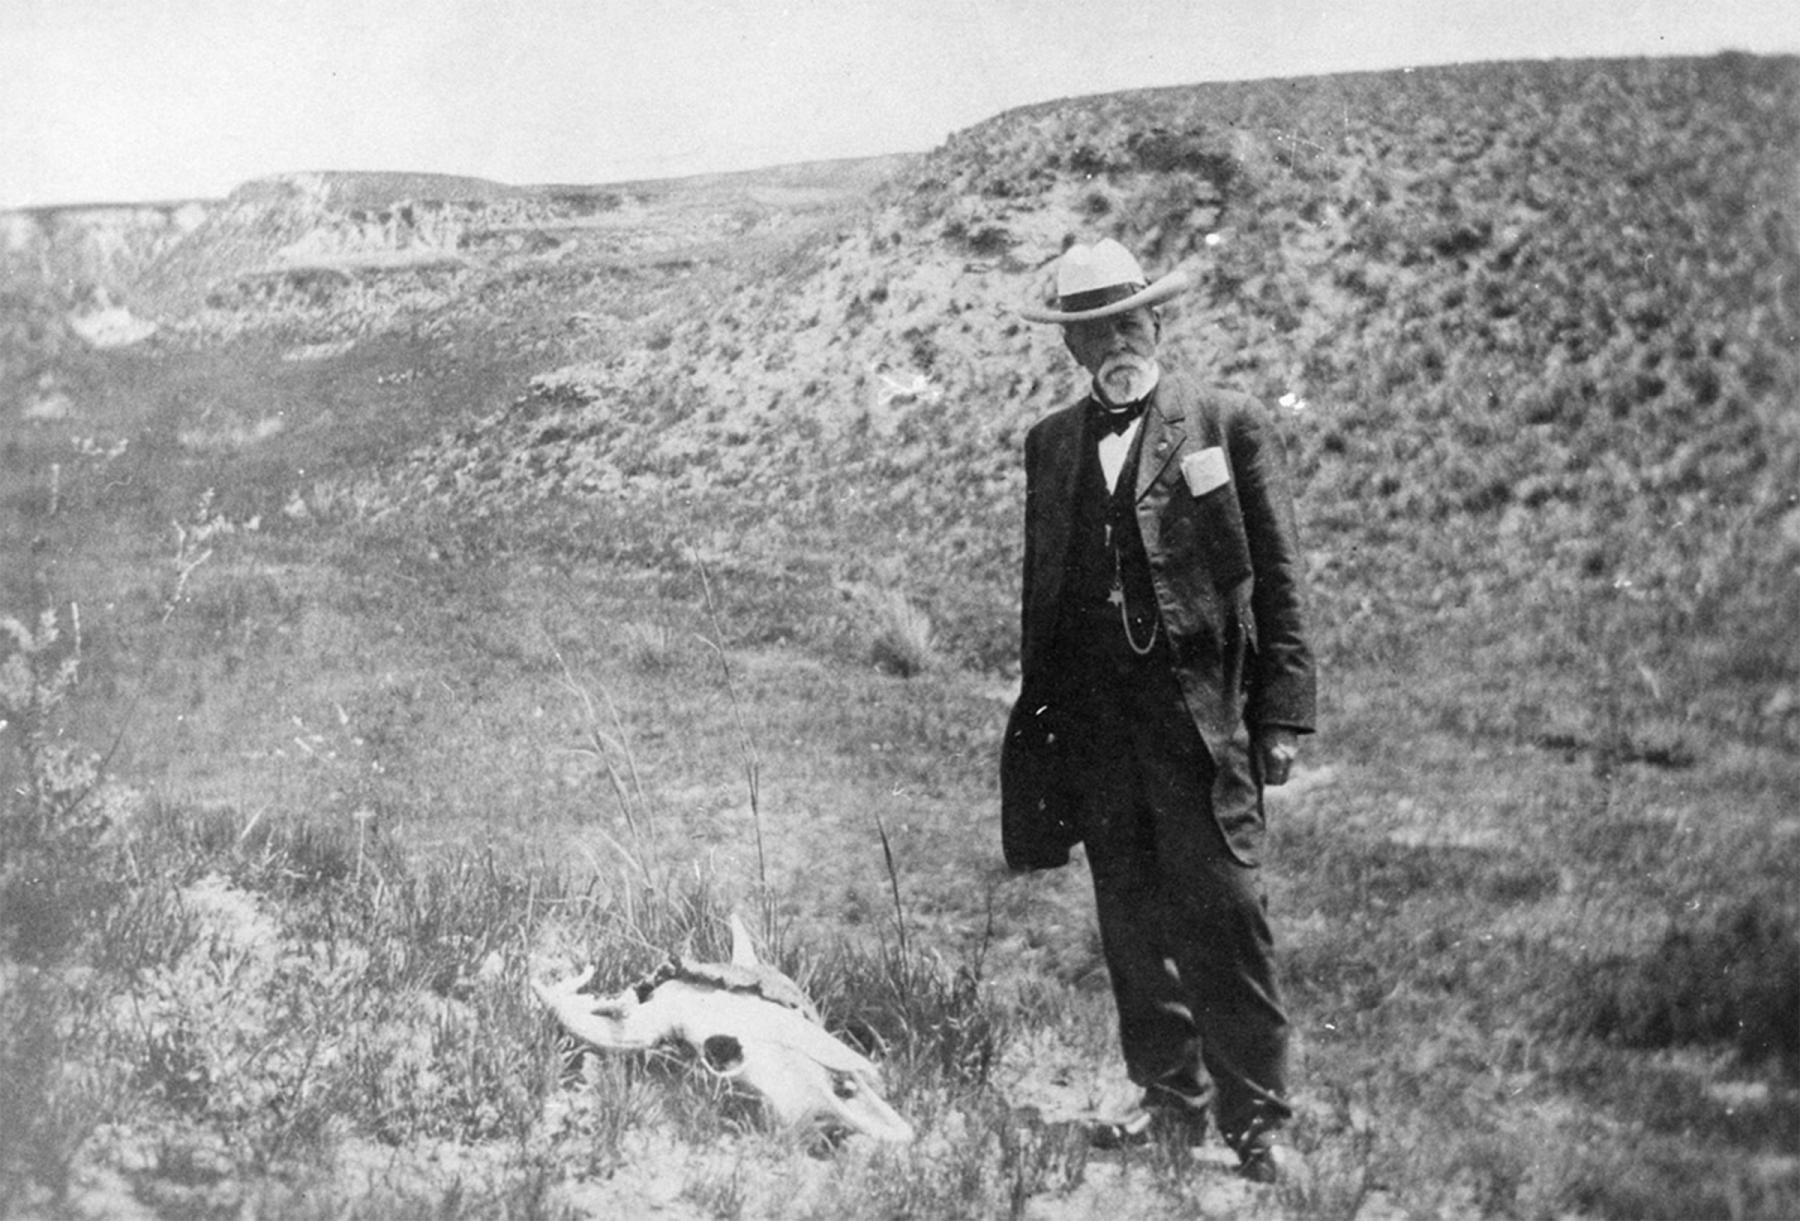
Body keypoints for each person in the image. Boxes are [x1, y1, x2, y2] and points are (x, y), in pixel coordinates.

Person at [1001, 238, 1316, 1185]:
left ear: (1159, 323)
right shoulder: (1052, 444)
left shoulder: (1227, 424)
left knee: (1226, 916)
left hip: (1201, 724)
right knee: (1131, 922)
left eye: (1128, 323)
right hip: (1099, 730)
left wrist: (1284, 713)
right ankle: (1170, 1106)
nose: (1113, 344)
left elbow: (1281, 581)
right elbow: (1042, 593)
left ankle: (1258, 1122)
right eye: (1092, 332)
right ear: (1071, 350)